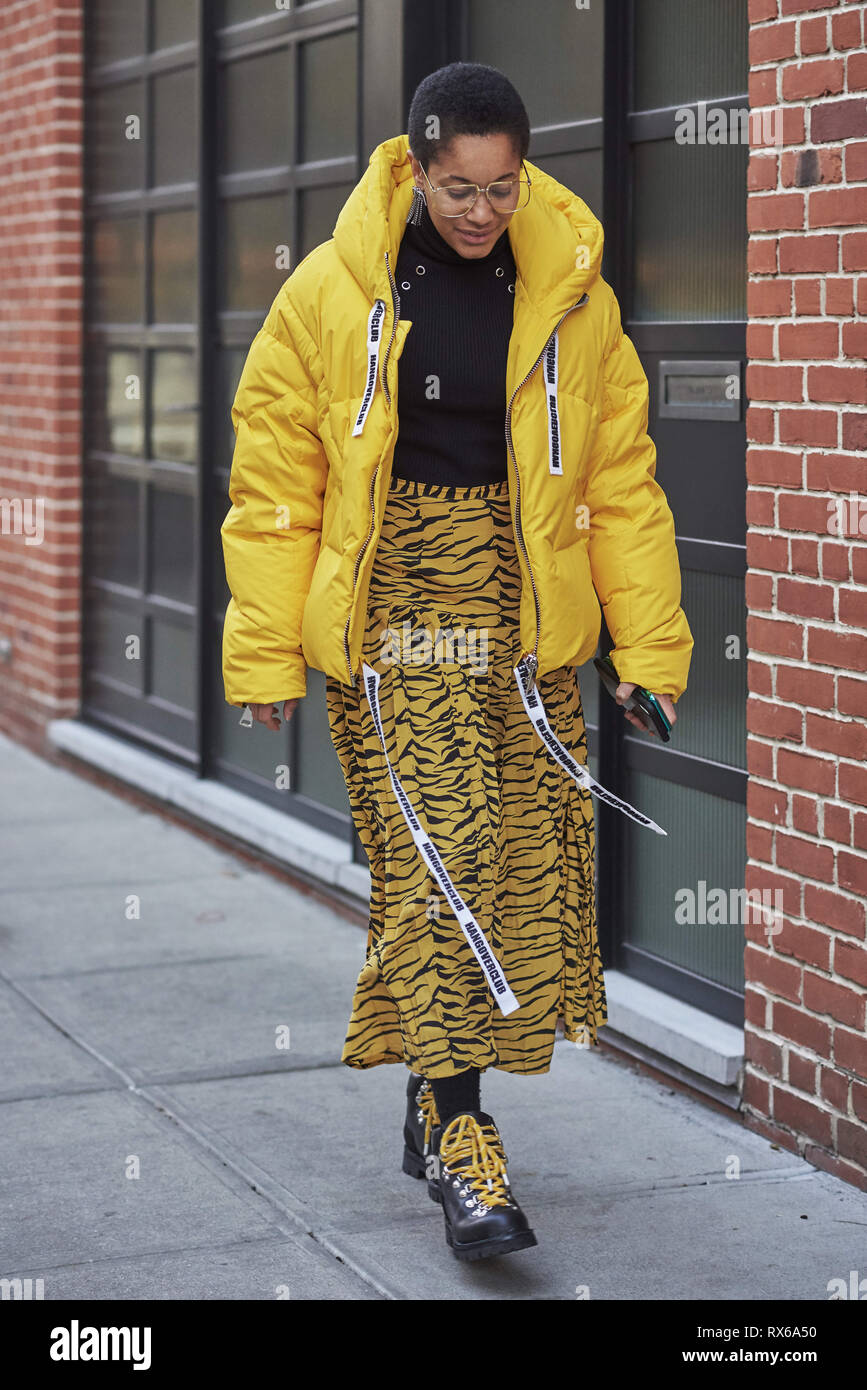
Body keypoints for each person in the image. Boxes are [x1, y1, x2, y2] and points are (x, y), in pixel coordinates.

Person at [220, 61, 694, 1263]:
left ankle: (432, 1100)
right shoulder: (335, 291)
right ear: (415, 165)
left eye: (498, 185)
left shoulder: (573, 295)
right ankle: (467, 1148)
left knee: (521, 870)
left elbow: (619, 484)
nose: (478, 210)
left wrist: (645, 647)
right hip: (393, 612)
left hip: (526, 610)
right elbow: (278, 482)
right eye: (453, 186)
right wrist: (266, 654)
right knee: (442, 867)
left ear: (521, 168)